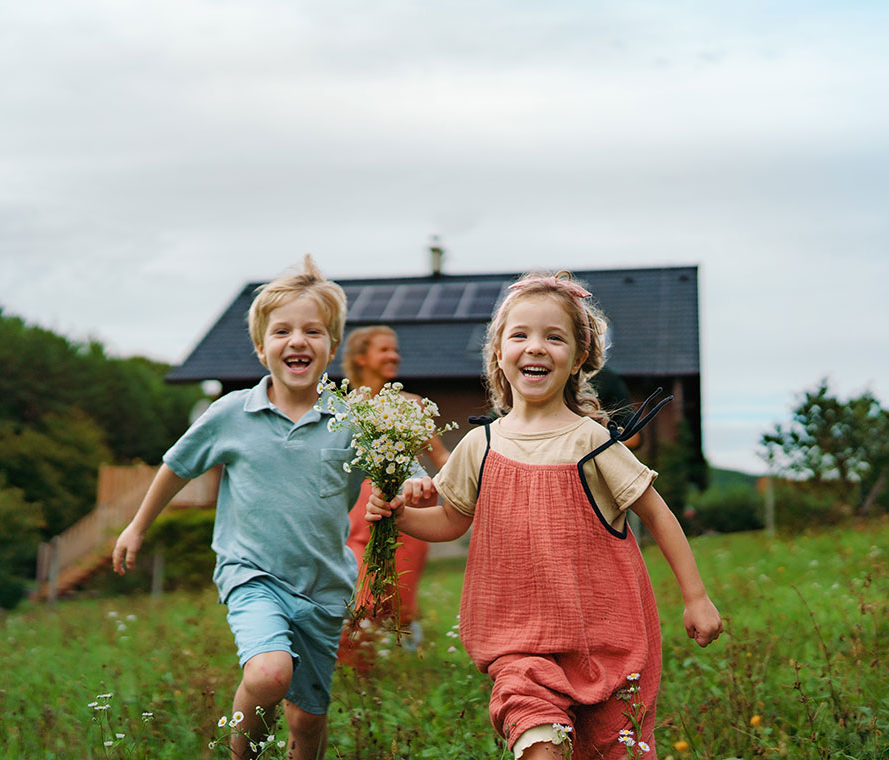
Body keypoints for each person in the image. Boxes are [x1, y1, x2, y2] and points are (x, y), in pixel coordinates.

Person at [367, 272, 723, 759]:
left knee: (611, 750)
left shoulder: (591, 441)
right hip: (517, 642)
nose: (535, 347)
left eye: (553, 337)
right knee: (538, 739)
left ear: (578, 358)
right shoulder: (480, 444)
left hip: (606, 640)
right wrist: (398, 516)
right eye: (520, 335)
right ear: (498, 352)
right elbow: (450, 520)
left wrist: (696, 598)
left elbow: (659, 514)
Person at [112, 255, 363, 760]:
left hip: (324, 585)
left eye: (313, 331)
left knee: (308, 718)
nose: (297, 341)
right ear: (260, 347)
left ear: (331, 347)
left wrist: (415, 492)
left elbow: (400, 478)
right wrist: (137, 526)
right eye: (282, 331)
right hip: (252, 574)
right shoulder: (231, 414)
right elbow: (177, 466)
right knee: (270, 673)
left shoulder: (353, 420)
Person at [339, 326, 450, 644]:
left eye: (395, 349)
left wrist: (474, 484)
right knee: (362, 597)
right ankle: (356, 666)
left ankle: (403, 666)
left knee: (401, 597)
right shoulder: (343, 408)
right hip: (359, 513)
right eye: (385, 349)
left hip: (410, 509)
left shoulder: (413, 404)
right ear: (361, 357)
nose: (394, 356)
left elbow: (441, 458)